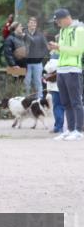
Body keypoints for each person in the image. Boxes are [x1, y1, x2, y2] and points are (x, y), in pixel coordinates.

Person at [49, 8, 84, 141]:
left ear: (65, 18)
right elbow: (63, 49)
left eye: (58, 21)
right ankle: (70, 129)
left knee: (76, 101)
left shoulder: (79, 30)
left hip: (73, 69)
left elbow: (78, 50)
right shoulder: (63, 30)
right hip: (62, 69)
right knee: (66, 102)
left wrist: (59, 47)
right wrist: (55, 48)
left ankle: (79, 130)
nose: (57, 24)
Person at [23, 16, 48, 99]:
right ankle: (26, 99)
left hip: (38, 63)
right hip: (26, 64)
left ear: (36, 25)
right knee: (27, 82)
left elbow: (46, 47)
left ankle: (39, 99)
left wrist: (41, 56)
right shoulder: (24, 34)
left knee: (38, 82)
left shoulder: (40, 35)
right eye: (31, 23)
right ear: (28, 24)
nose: (32, 24)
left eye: (34, 23)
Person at [44, 45, 64, 135]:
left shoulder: (55, 54)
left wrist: (47, 63)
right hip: (65, 83)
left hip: (56, 86)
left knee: (58, 106)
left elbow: (50, 68)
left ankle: (58, 127)